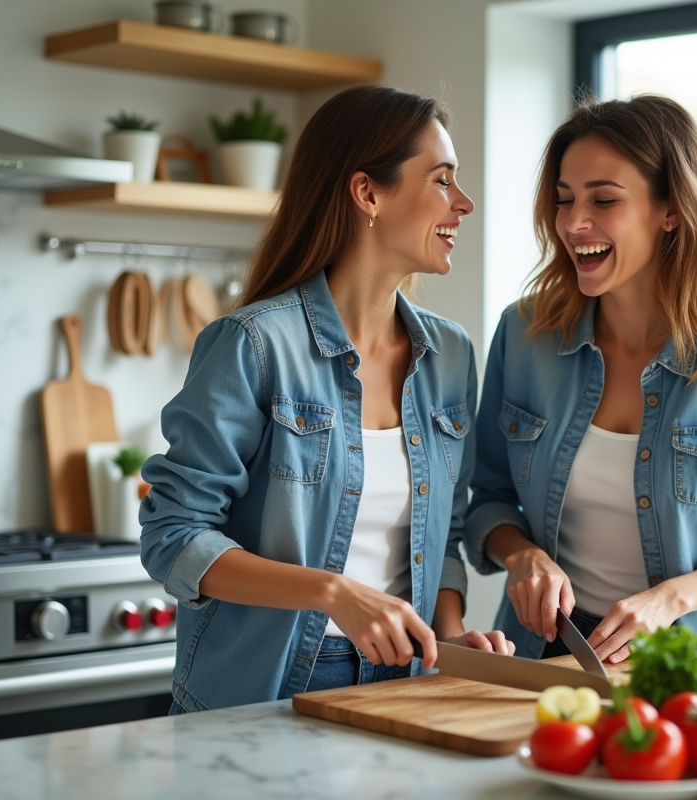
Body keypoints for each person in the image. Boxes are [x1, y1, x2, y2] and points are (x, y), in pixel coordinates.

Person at [141, 85, 513, 714]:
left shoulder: (449, 355)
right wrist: (334, 593)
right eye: (443, 180)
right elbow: (173, 534)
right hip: (268, 686)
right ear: (368, 193)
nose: (463, 203)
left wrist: (452, 641)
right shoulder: (254, 345)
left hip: (409, 683)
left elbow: (443, 536)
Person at [465, 95, 697, 665]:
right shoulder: (524, 335)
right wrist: (524, 556)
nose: (575, 224)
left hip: (689, 663)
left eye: (604, 200)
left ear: (671, 209)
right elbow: (490, 499)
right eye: (564, 199)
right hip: (545, 653)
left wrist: (668, 600)